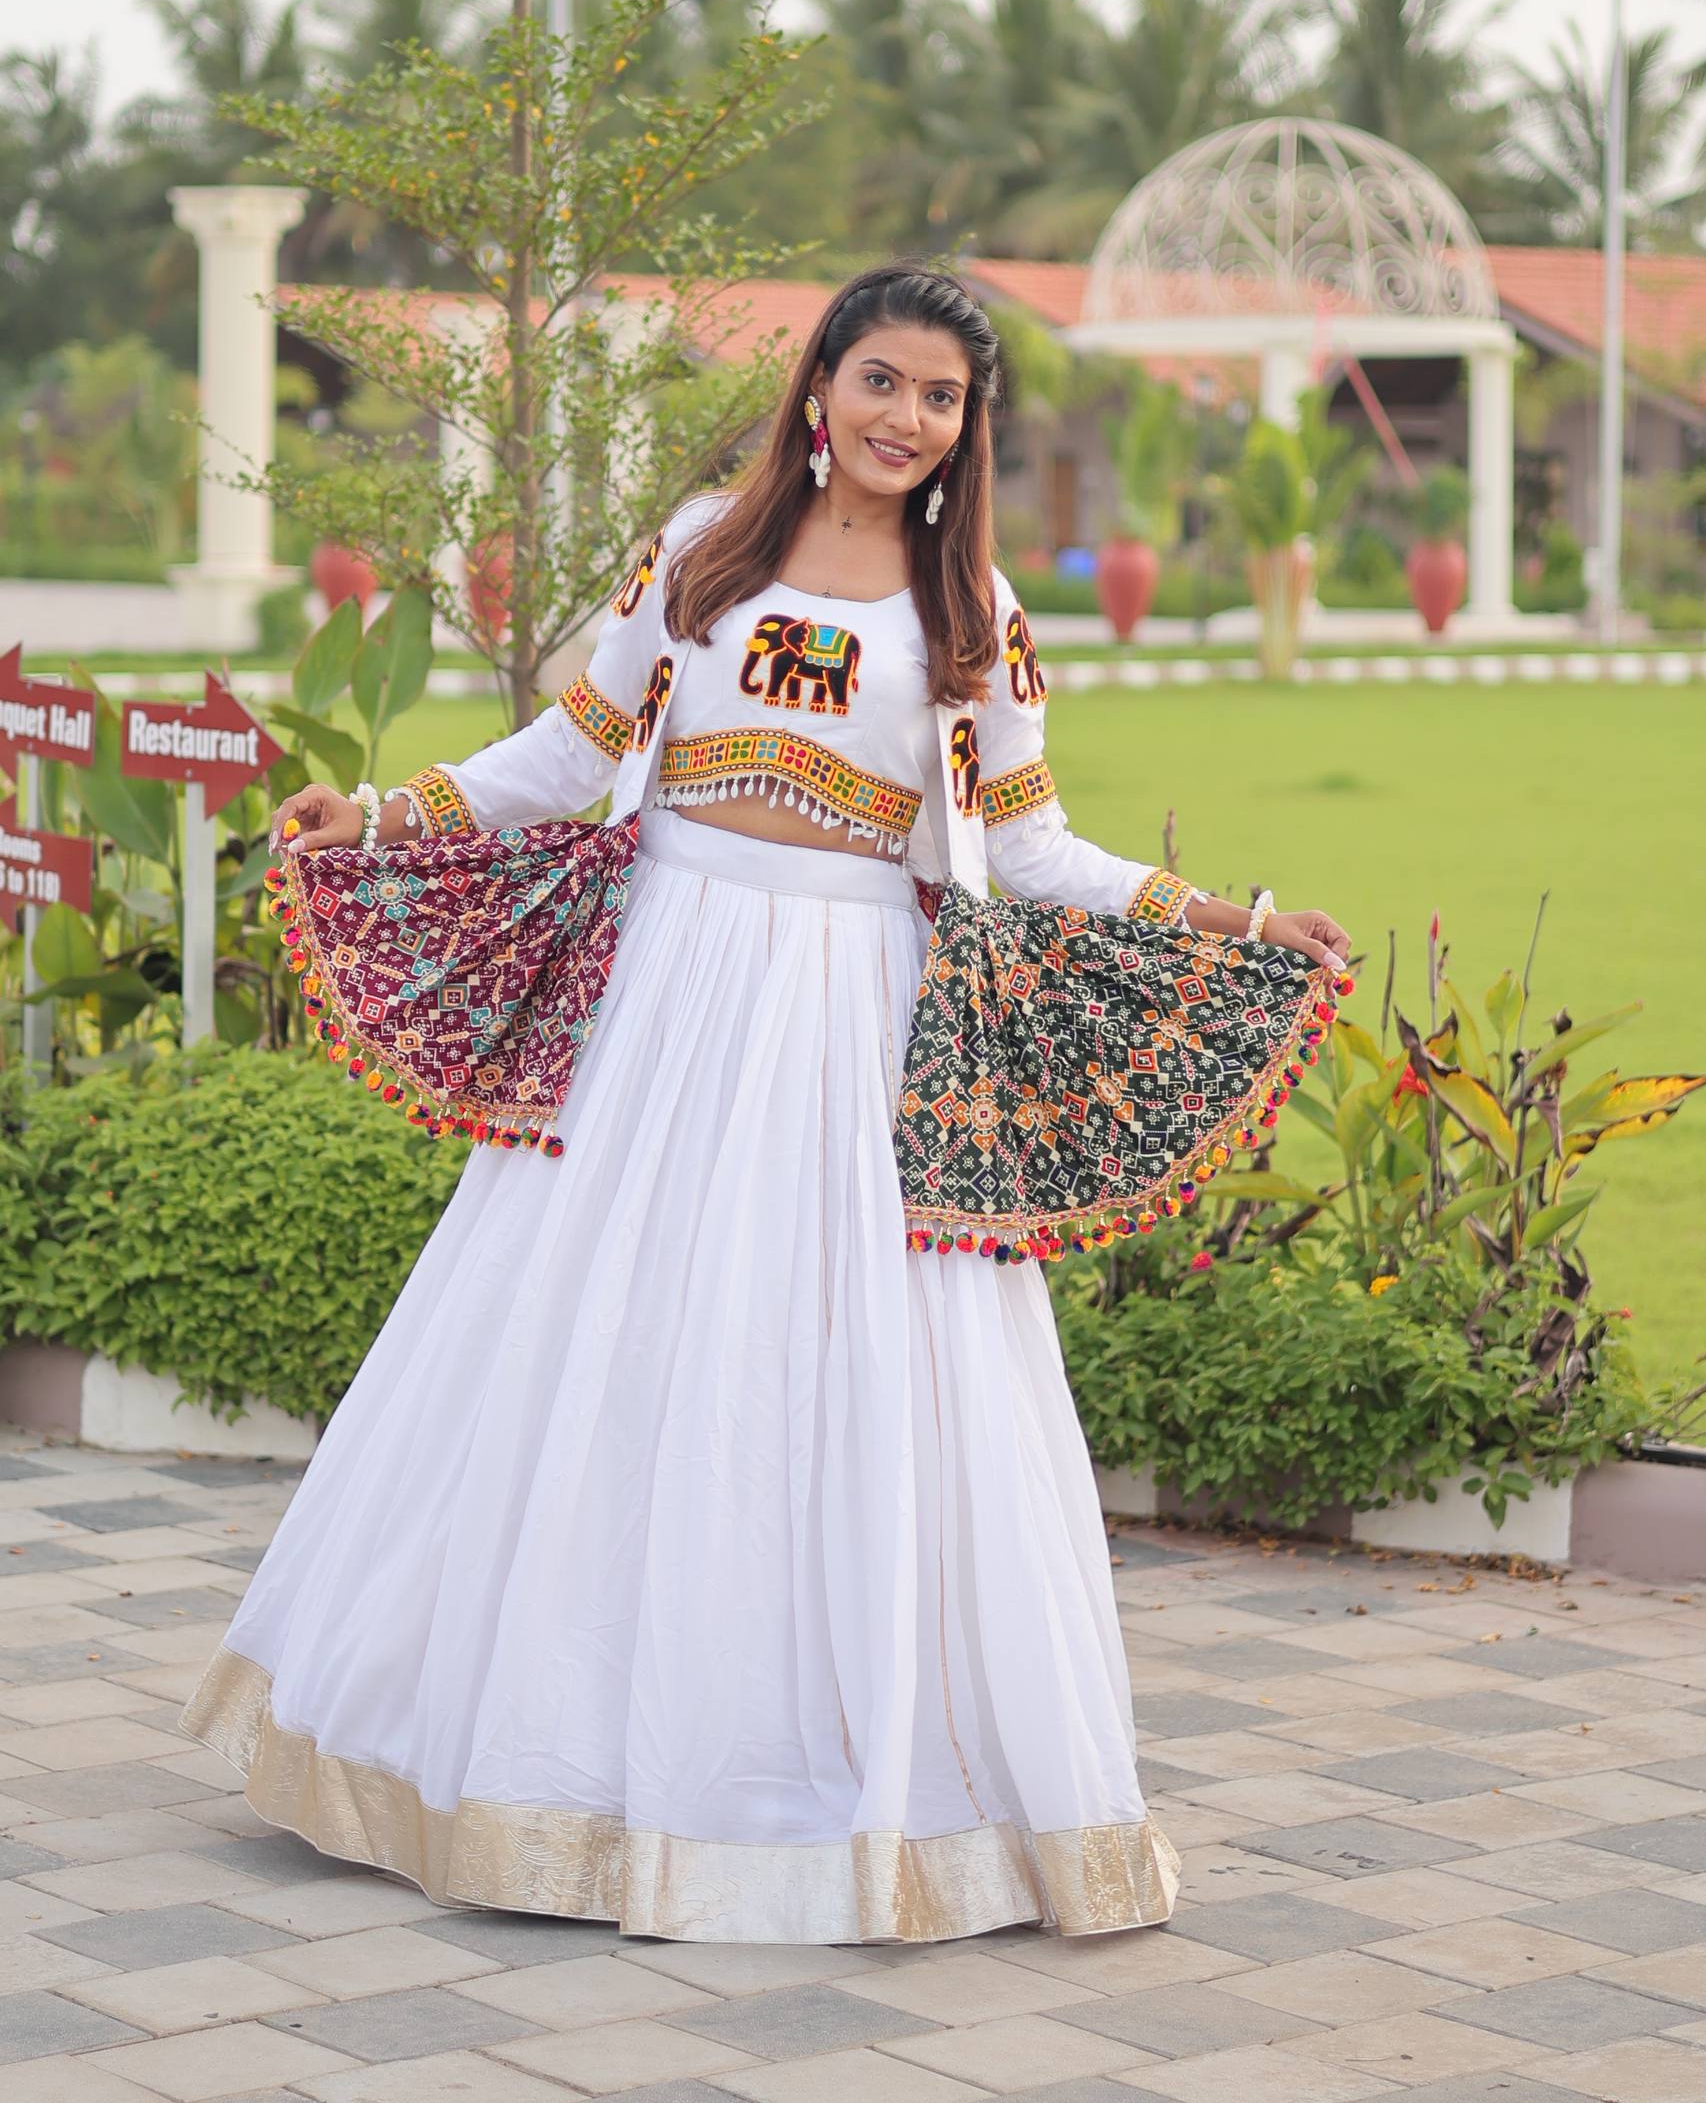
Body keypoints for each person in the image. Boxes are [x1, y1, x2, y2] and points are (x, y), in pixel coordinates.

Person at [178, 262, 1348, 1945]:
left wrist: (1227, 920)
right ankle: (531, 1764)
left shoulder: (974, 618)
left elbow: (1026, 848)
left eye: (939, 398)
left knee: (851, 1371)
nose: (904, 418)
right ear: (821, 386)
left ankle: (827, 1781)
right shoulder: (694, 555)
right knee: (597, 1347)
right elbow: (561, 758)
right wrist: (378, 810)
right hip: (664, 1000)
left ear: (966, 430)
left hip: (857, 1022)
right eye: (881, 380)